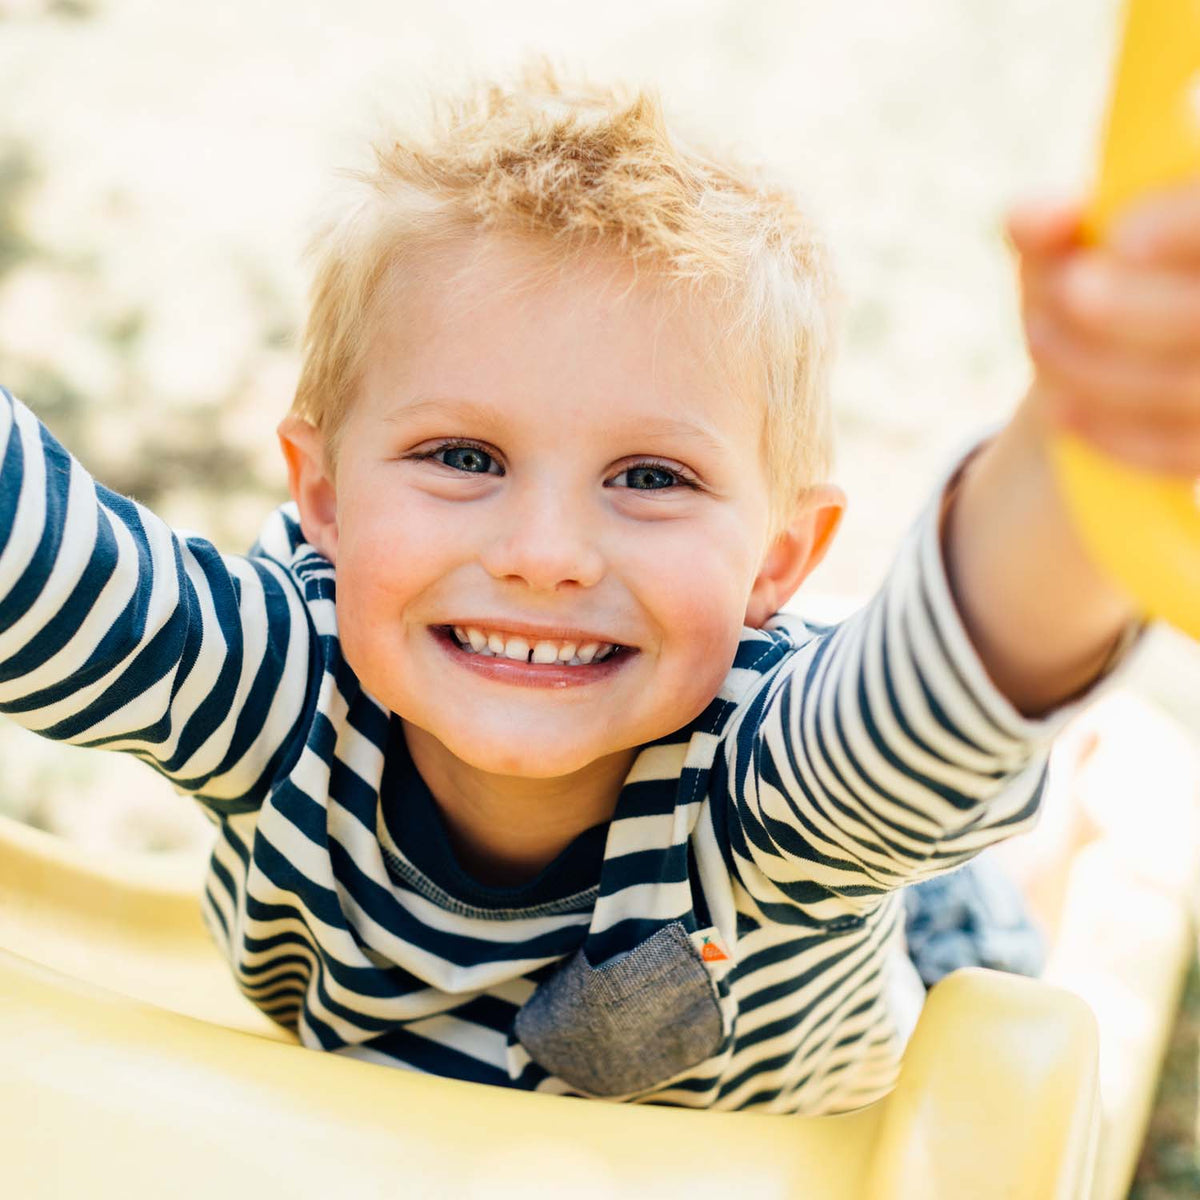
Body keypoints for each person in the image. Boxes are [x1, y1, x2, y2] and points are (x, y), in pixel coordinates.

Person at [0, 65, 1184, 1114]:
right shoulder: (274, 685)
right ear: (327, 499)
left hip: (852, 1047)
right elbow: (44, 571)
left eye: (651, 477)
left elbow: (931, 708)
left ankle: (1075, 810)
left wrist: (1094, 431)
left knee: (960, 867)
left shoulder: (762, 794)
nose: (546, 552)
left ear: (778, 557)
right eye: (464, 458)